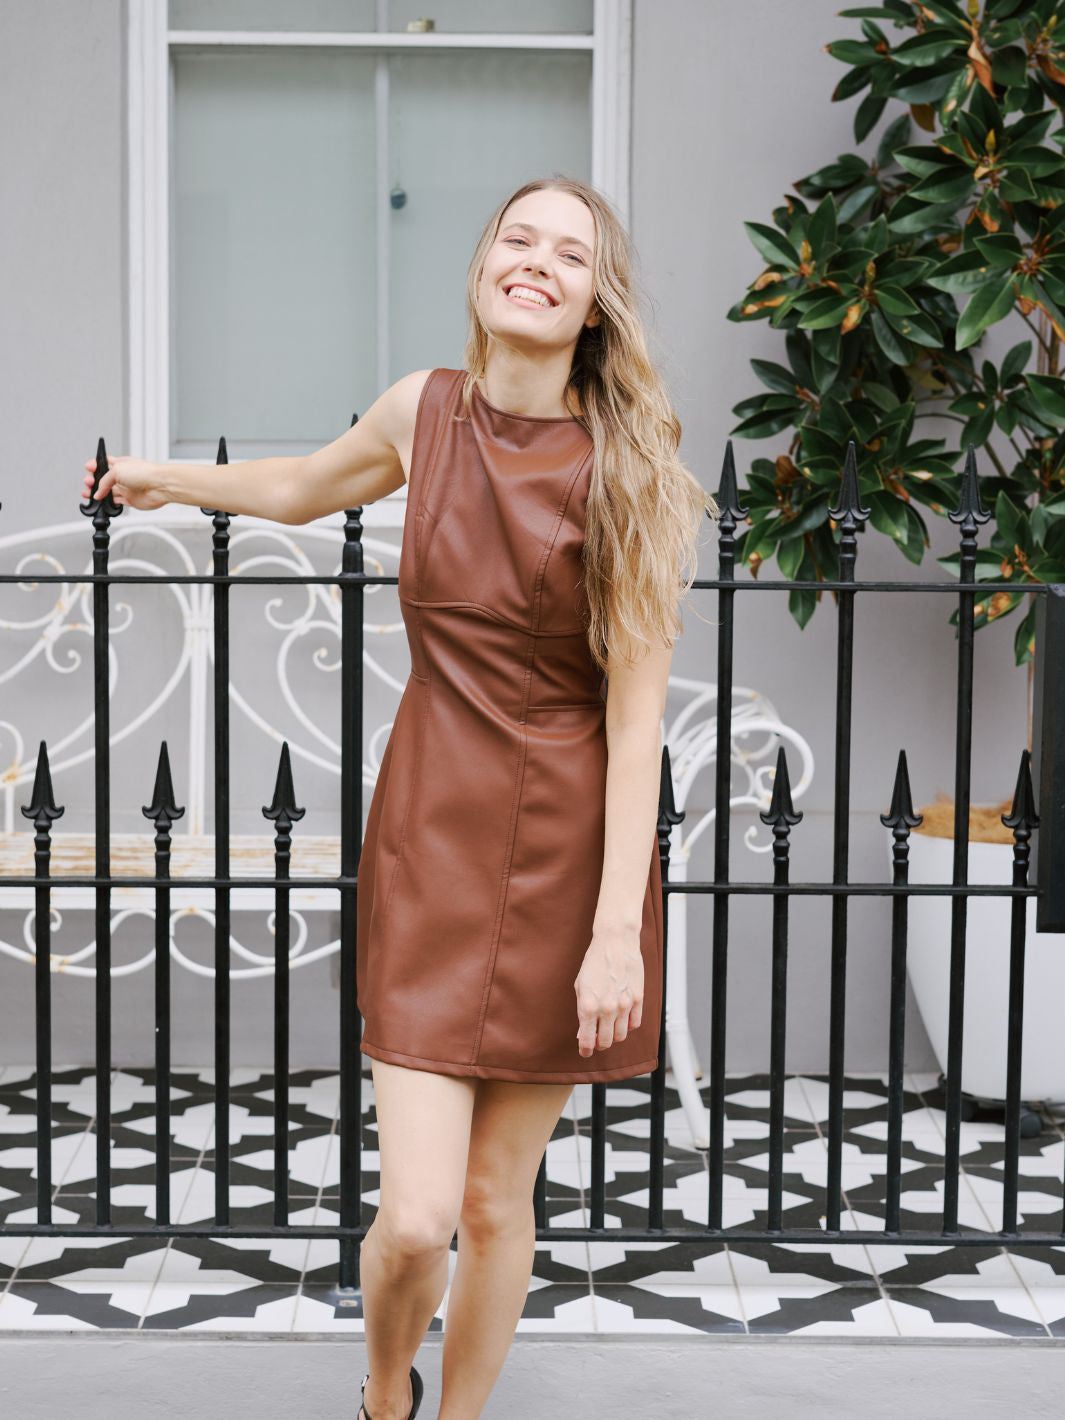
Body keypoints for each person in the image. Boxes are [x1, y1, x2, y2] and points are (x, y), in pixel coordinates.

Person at [83, 175, 716, 1420]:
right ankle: (386, 1395)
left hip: (568, 861)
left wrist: (615, 935)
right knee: (418, 1217)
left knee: (495, 1201)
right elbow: (300, 487)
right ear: (482, 266)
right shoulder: (422, 411)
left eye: (570, 254)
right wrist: (164, 479)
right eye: (518, 238)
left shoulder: (629, 473)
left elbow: (636, 724)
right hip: (432, 838)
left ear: (596, 306)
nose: (536, 262)